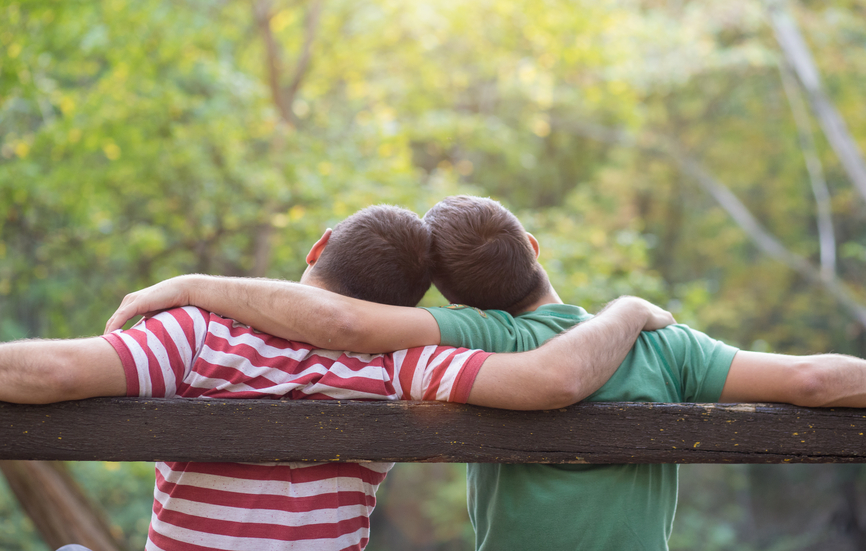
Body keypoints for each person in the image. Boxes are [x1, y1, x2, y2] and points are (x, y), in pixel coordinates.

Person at [109, 196, 866, 550]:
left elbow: (341, 322)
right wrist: (632, 307)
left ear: (449, 300)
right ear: (533, 245)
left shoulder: (481, 336)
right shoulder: (668, 348)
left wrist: (191, 286)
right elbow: (811, 382)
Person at [4, 203, 674, 551]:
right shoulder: (402, 364)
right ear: (405, 308)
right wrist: (629, 310)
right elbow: (543, 380)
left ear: (318, 246)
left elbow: (54, 369)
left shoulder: (198, 332)